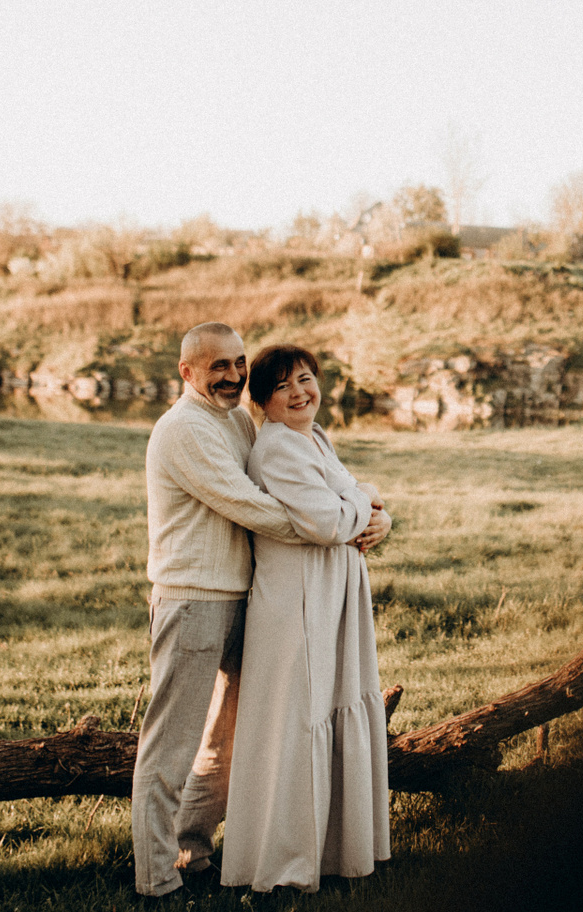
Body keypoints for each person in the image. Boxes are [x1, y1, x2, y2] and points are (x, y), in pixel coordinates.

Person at [132, 323, 368, 898]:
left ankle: (192, 850)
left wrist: (348, 514)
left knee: (226, 742)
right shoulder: (183, 429)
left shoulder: (238, 420)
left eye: (239, 363)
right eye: (219, 366)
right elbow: (253, 507)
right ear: (187, 372)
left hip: (244, 597)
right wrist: (339, 525)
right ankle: (156, 879)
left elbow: (298, 485)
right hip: (193, 601)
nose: (234, 375)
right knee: (171, 747)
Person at [220, 343, 393, 894]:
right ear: (262, 403)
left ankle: (335, 850)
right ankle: (285, 864)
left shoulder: (313, 436)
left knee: (331, 705)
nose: (298, 393)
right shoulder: (276, 449)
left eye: (304, 379)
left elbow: (351, 500)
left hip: (330, 595)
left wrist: (377, 514)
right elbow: (327, 523)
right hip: (297, 601)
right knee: (300, 720)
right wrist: (370, 503)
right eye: (281, 387)